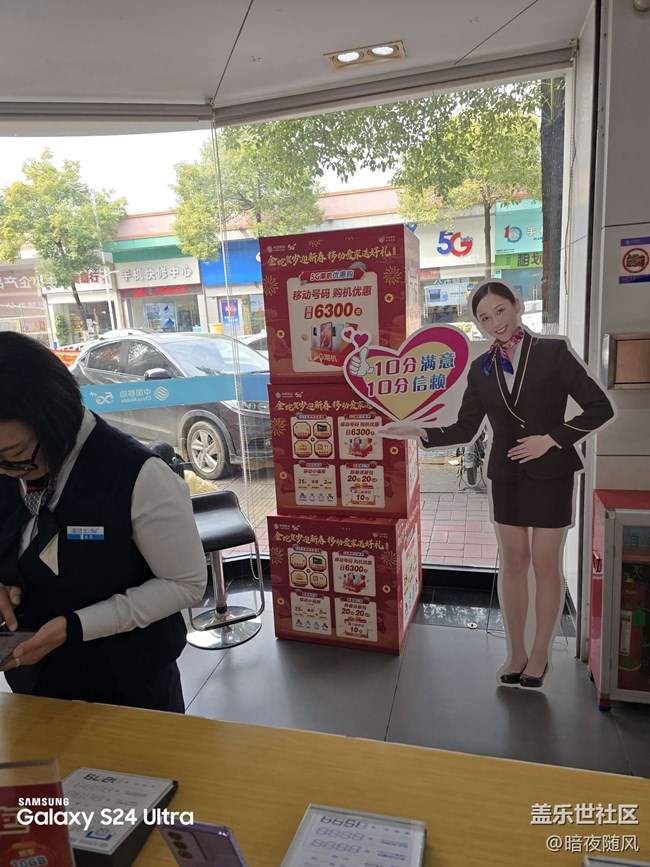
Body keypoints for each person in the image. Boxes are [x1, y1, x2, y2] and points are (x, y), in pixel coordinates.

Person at [380, 280, 614, 689]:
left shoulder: (553, 353)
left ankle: (540, 655)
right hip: (507, 475)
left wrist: (551, 439)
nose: (495, 323)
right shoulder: (481, 367)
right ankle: (516, 653)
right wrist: (421, 431)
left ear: (517, 305)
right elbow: (466, 427)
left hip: (551, 473)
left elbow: (600, 407)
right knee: (514, 562)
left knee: (545, 563)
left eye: (500, 311)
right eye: (485, 318)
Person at [0, 332, 207, 712]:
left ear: (55, 418)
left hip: (129, 684)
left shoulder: (138, 474)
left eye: (14, 454)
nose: (7, 470)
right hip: (33, 680)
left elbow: (186, 583)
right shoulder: (9, 470)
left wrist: (77, 625)